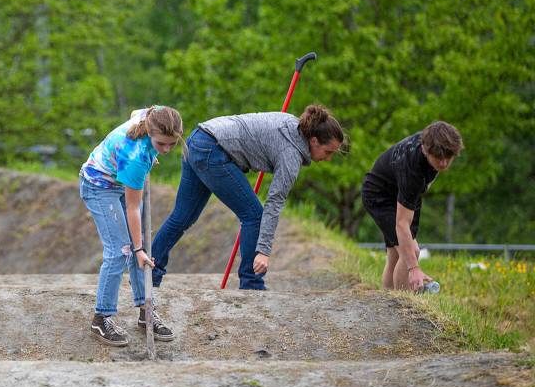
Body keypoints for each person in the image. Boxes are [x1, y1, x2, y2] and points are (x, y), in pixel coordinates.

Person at [152, 105, 344, 291]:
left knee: (182, 216)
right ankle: (251, 283)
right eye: (328, 152)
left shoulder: (291, 123)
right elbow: (274, 203)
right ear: (314, 141)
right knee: (254, 215)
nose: (328, 158)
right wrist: (263, 251)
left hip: (198, 138)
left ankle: (149, 273)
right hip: (213, 149)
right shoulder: (291, 156)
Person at [79, 106, 184, 347]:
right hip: (98, 185)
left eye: (172, 144)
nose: (167, 150)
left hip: (119, 178)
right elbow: (133, 208)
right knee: (122, 251)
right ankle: (101, 317)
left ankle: (146, 311)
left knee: (142, 249)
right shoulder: (136, 156)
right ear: (149, 132)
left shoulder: (153, 115)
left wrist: (141, 249)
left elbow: (137, 110)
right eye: (161, 144)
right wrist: (136, 249)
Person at [361, 121, 463, 292]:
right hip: (379, 196)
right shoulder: (413, 169)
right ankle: (402, 305)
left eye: (449, 157)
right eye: (438, 158)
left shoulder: (433, 140)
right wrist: (414, 269)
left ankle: (386, 301)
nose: (444, 163)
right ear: (425, 149)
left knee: (395, 255)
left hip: (402, 193)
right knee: (411, 252)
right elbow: (401, 224)